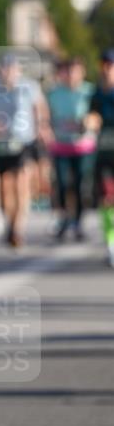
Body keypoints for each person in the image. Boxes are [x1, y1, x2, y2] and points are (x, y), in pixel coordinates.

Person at [0, 54, 51, 248]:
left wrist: (42, 127)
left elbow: (40, 107)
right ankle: (11, 223)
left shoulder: (29, 86)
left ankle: (19, 227)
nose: (8, 73)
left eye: (12, 69)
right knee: (6, 187)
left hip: (23, 140)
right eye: (4, 68)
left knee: (22, 184)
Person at [46, 57, 96, 240]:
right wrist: (46, 131)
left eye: (75, 71)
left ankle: (78, 221)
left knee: (81, 185)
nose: (71, 75)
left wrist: (89, 123)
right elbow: (46, 116)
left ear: (82, 72)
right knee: (61, 184)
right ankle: (64, 217)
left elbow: (97, 116)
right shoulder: (54, 93)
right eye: (68, 71)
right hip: (60, 146)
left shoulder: (90, 92)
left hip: (84, 146)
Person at [86, 48, 114, 266]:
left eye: (111, 65)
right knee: (106, 197)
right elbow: (92, 116)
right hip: (104, 152)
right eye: (104, 64)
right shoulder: (96, 94)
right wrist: (90, 121)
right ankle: (110, 242)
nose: (107, 69)